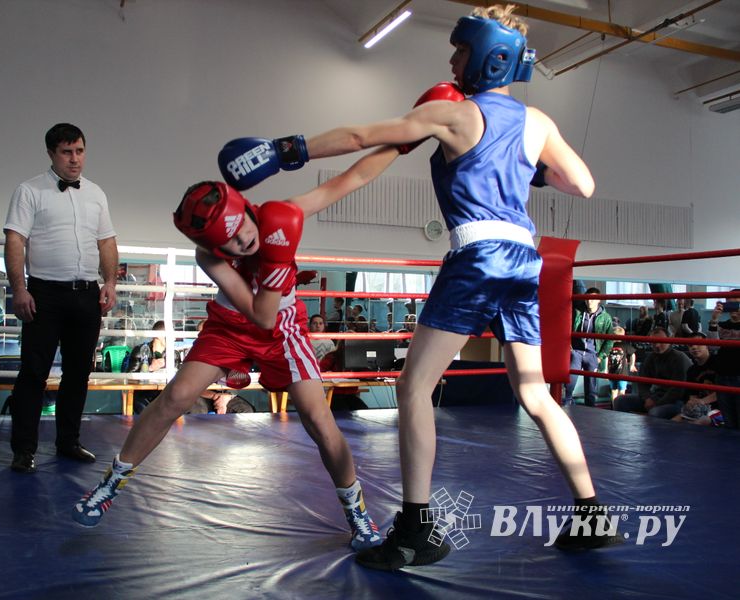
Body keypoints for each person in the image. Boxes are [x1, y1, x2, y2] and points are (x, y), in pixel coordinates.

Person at [216, 3, 620, 570]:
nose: (452, 60)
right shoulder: (539, 123)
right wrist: (519, 167)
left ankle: (416, 530)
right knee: (534, 393)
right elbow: (582, 184)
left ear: (486, 57)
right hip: (526, 262)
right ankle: (591, 513)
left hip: (478, 257)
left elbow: (362, 133)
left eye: (460, 51)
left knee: (412, 387)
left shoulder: (455, 116)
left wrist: (286, 150)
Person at [72, 146, 399, 554]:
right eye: (230, 243)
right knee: (175, 396)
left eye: (243, 229)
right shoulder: (207, 256)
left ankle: (357, 513)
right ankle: (110, 485)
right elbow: (255, 313)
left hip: (284, 328)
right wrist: (277, 267)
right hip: (234, 325)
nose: (244, 242)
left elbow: (351, 179)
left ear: (247, 207)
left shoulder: (280, 213)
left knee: (318, 418)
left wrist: (400, 142)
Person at [4, 123, 118, 473]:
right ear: (52, 154)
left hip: (86, 294)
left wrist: (111, 281)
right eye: (67, 152)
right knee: (34, 373)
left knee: (78, 372)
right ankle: (24, 450)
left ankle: (68, 441)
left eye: (79, 151)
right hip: (44, 294)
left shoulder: (96, 193)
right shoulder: (29, 190)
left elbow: (106, 242)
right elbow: (15, 240)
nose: (74, 159)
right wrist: (19, 288)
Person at [613, 328, 691, 419]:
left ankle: (656, 433)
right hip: (656, 397)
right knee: (619, 400)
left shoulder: (679, 358)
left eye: (661, 341)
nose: (657, 345)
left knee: (655, 412)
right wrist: (648, 398)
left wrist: (656, 403)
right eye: (653, 342)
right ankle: (621, 429)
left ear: (669, 339)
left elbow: (678, 390)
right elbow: (642, 382)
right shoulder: (651, 358)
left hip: (677, 401)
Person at [564, 287, 614, 406]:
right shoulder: (578, 312)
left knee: (590, 388)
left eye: (592, 299)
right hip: (577, 352)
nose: (589, 301)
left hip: (592, 354)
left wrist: (600, 356)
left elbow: (609, 339)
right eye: (587, 298)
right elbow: (567, 326)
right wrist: (570, 347)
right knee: (569, 383)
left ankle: (590, 413)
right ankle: (565, 406)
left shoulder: (605, 317)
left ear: (599, 301)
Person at [707, 292, 740, 428]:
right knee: (729, 421)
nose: (733, 307)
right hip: (722, 377)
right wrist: (714, 319)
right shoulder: (721, 325)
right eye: (729, 303)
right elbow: (712, 347)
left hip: (739, 376)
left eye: (736, 303)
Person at [672, 332, 719, 425]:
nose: (694, 347)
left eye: (698, 343)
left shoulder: (719, 363)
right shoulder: (692, 370)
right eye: (690, 345)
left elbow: (724, 391)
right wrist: (692, 403)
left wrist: (702, 401)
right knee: (673, 422)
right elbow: (692, 395)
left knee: (698, 423)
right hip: (700, 407)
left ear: (706, 345)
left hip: (720, 408)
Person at [607, 326, 637, 404]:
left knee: (620, 392)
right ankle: (615, 407)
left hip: (621, 373)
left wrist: (632, 365)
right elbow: (607, 357)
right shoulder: (610, 345)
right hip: (613, 372)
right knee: (615, 391)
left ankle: (618, 407)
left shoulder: (624, 345)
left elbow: (632, 354)